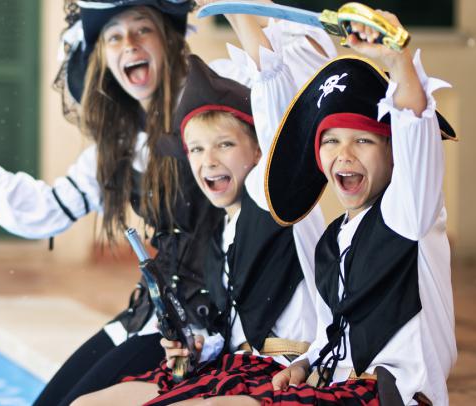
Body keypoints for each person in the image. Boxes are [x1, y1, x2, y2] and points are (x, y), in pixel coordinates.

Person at [0, 1, 221, 404]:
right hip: (151, 316)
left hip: (206, 328)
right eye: (114, 36)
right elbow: (43, 211)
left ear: (168, 42)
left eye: (142, 30)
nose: (129, 43)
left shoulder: (213, 118)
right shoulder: (116, 148)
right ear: (103, 58)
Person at [174, 10, 459, 406]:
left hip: (391, 396)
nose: (343, 154)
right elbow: (333, 332)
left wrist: (398, 59)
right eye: (330, 141)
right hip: (332, 387)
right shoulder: (332, 242)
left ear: (394, 153)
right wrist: (305, 365)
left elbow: (413, 126)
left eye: (362, 141)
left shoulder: (408, 216)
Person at [72, 10, 334, 404]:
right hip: (230, 367)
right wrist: (197, 346)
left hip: (282, 373)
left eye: (224, 145)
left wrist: (240, 12)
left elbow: (275, 97)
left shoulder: (275, 198)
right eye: (195, 149)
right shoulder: (221, 232)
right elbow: (231, 325)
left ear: (261, 150)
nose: (207, 161)